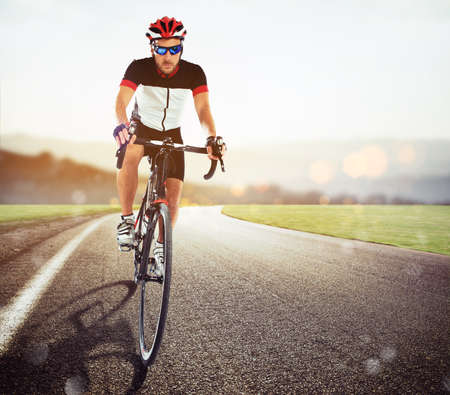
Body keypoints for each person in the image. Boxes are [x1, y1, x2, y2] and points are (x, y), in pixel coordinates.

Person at [113, 16, 225, 265]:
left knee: (173, 197)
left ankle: (162, 247)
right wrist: (122, 125)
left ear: (181, 48)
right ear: (151, 48)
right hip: (141, 128)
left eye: (174, 49)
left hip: (172, 133)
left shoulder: (194, 73)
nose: (167, 56)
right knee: (128, 154)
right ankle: (126, 221)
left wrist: (211, 138)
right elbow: (121, 101)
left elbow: (203, 109)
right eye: (161, 49)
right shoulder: (138, 68)